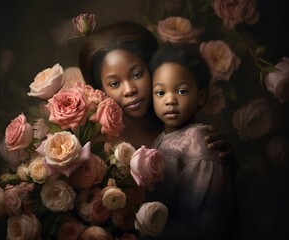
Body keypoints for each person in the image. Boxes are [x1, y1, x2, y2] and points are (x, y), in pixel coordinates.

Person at [79, 21, 232, 156]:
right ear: (100, 89)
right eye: (114, 84)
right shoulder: (96, 149)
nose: (129, 90)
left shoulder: (188, 126)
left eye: (137, 74)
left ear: (154, 68)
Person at [144, 42, 237, 240]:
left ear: (201, 96)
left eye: (182, 91)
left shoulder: (200, 143)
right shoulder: (159, 139)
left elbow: (204, 223)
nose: (170, 100)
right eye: (160, 93)